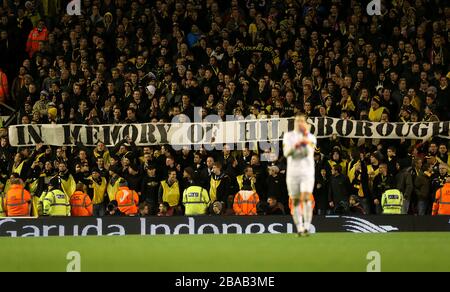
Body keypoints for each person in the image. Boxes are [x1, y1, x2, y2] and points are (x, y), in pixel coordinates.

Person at [283, 113, 317, 236]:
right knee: (296, 201)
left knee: (307, 199)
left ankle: (307, 226)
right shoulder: (288, 136)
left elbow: (307, 153)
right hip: (292, 173)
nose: (299, 123)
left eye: (301, 121)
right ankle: (300, 228)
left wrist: (302, 141)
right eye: (297, 121)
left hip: (307, 172)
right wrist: (299, 144)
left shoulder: (311, 137)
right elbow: (287, 153)